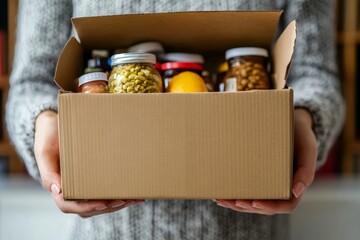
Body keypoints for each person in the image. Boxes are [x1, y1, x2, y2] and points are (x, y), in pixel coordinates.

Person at [6, 0, 344, 239]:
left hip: (249, 231)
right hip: (105, 233)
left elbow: (316, 74)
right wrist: (43, 122)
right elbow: (32, 83)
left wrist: (305, 119)